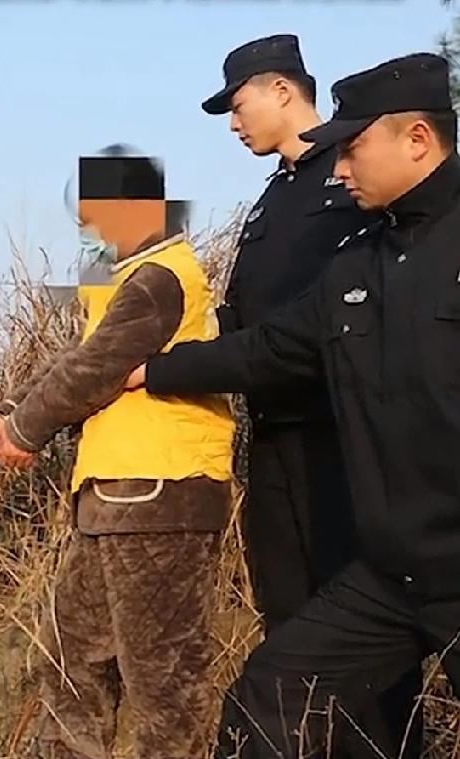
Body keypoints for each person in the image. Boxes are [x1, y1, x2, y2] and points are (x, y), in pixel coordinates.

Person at [127, 53, 459, 758]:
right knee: (273, 692)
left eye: (354, 149)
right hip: (394, 574)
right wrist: (153, 370)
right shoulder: (357, 264)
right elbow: (266, 348)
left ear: (417, 140)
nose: (341, 167)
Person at [0, 149, 235, 758]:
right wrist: (11, 415)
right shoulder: (124, 278)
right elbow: (78, 357)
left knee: (163, 681)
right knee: (72, 660)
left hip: (163, 494)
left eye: (95, 216)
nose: (88, 230)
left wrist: (25, 432)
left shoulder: (161, 278)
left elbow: (94, 370)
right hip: (116, 497)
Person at [199, 34, 422, 755]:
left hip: (343, 437)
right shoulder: (273, 197)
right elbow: (244, 317)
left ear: (282, 91)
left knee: (364, 633)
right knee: (289, 620)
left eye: (238, 106)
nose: (234, 125)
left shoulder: (356, 176)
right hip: (273, 441)